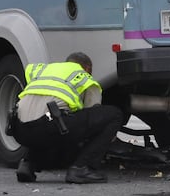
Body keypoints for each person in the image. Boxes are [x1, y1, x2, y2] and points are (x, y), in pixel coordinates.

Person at [10, 52, 123, 184]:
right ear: (87, 68)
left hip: (18, 129)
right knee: (114, 114)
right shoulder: (84, 77)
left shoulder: (46, 71)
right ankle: (81, 168)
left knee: (46, 122)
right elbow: (93, 115)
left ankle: (28, 164)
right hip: (50, 126)